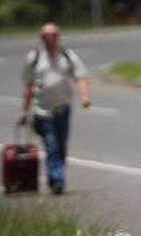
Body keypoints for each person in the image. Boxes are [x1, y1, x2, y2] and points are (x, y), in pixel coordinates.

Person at [18, 23, 90, 195]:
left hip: (63, 109)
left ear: (58, 37)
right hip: (42, 111)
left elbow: (80, 76)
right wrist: (23, 111)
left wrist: (84, 96)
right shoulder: (34, 57)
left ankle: (55, 177)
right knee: (52, 145)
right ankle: (57, 180)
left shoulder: (67, 55)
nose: (50, 39)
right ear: (41, 38)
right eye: (46, 36)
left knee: (61, 146)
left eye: (54, 36)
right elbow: (28, 86)